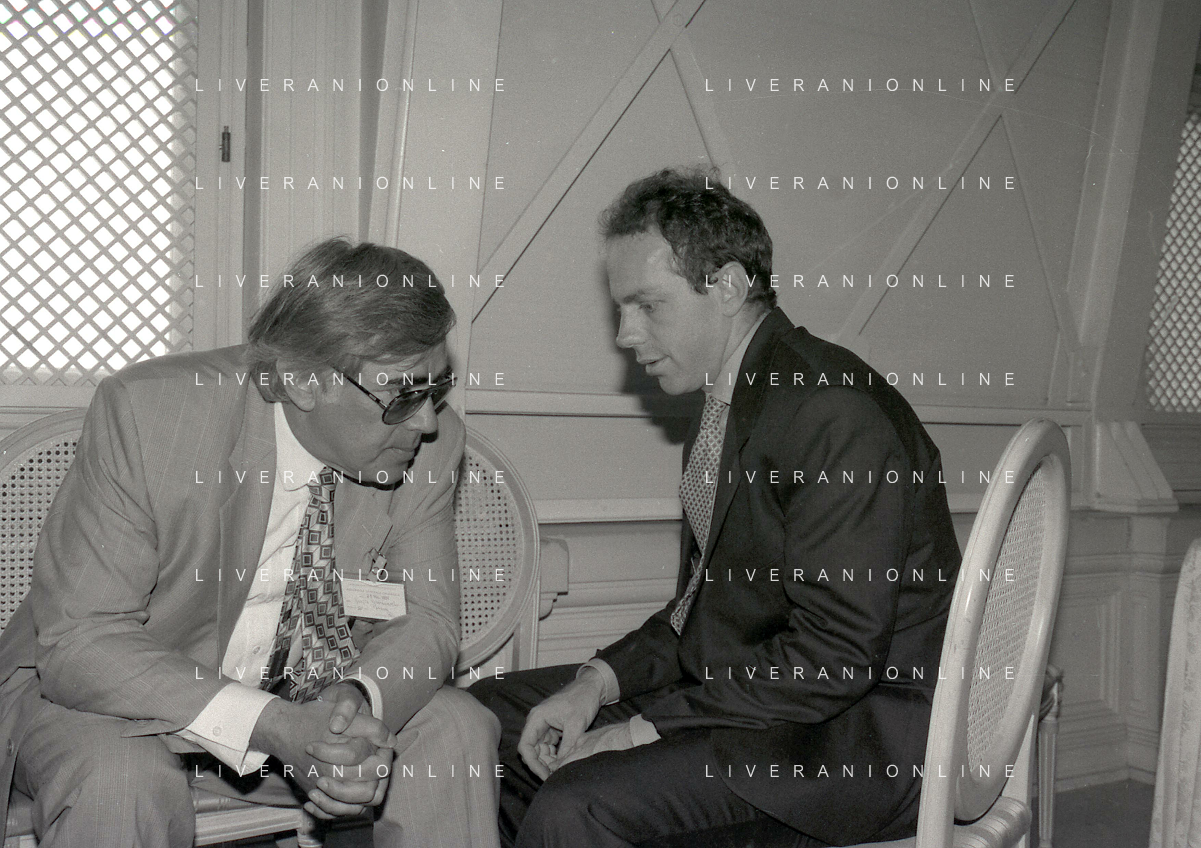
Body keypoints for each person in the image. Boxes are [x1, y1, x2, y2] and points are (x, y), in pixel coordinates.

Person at [470, 169, 963, 847]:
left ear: (727, 287)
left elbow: (834, 658)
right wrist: (594, 685)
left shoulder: (830, 412)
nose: (625, 334)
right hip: (765, 703)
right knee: (483, 723)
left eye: (647, 305)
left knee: (577, 804)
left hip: (851, 741)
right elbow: (699, 615)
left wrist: (641, 729)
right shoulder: (726, 408)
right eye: (621, 309)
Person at [0, 238, 501, 847]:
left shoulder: (431, 445)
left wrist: (354, 700)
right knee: (121, 780)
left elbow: (427, 619)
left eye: (436, 388)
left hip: (307, 705)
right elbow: (82, 641)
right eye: (403, 395)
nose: (426, 421)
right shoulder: (150, 415)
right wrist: (270, 724)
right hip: (118, 699)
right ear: (305, 382)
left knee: (457, 728)